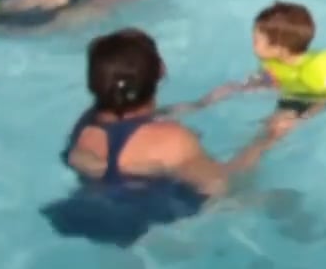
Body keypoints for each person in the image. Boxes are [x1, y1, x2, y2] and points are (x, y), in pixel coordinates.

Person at [40, 28, 294, 248]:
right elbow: (222, 187)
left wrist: (205, 102)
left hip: (86, 212)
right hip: (152, 228)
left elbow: (132, 119)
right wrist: (267, 137)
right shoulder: (172, 141)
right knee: (283, 199)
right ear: (160, 72)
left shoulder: (86, 122)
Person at [173, 1, 326, 128]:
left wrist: (303, 119)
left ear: (278, 48)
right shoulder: (276, 59)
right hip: (284, 84)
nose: (252, 43)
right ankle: (196, 105)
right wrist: (247, 86)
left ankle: (256, 150)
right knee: (229, 87)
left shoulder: (316, 71)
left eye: (256, 40)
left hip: (304, 97)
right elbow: (270, 76)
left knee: (277, 124)